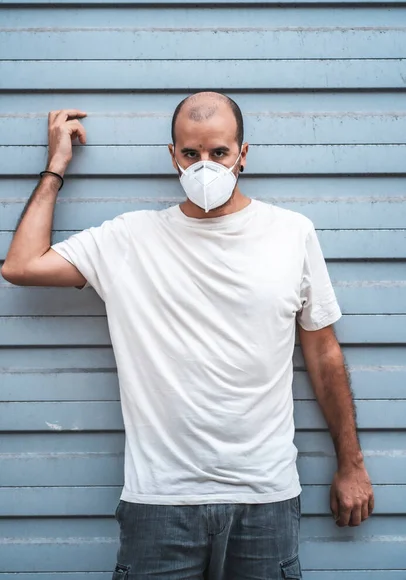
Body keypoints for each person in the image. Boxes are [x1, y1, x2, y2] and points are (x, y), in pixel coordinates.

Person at [2, 92, 374, 580]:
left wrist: (352, 464)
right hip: (159, 502)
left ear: (243, 154)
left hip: (266, 499)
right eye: (190, 153)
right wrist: (56, 165)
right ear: (172, 156)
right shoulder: (128, 239)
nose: (205, 166)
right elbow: (22, 266)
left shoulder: (291, 233)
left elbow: (324, 354)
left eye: (218, 152)